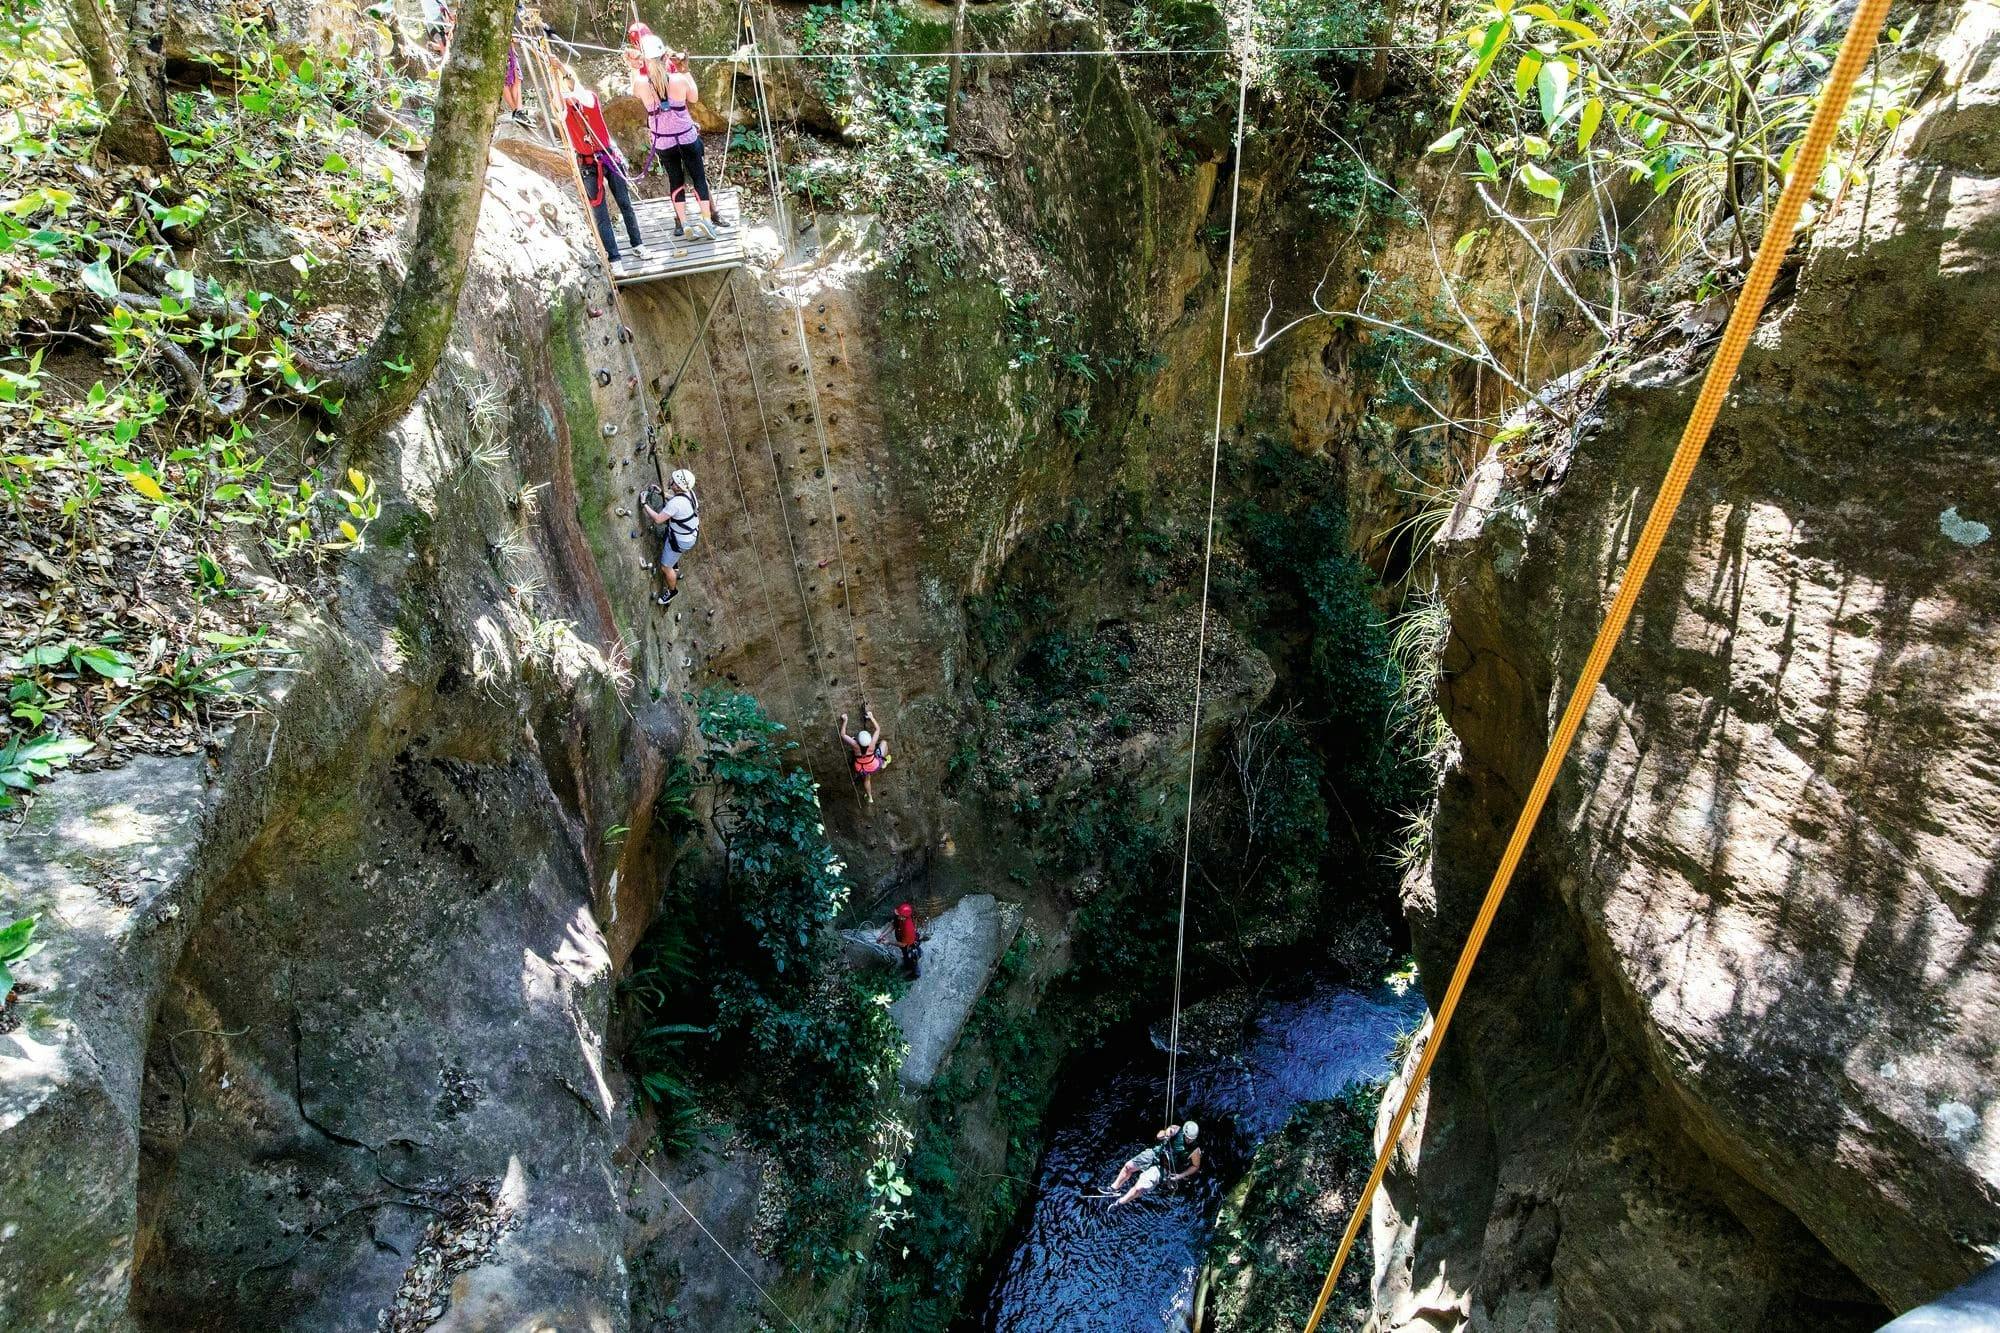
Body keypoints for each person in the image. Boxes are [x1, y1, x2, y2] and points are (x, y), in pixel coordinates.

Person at [625, 35, 727, 239]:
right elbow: (694, 97)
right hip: (686, 136)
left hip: (663, 140)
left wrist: (634, 65)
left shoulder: (642, 84)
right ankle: (707, 220)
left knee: (675, 180)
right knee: (698, 178)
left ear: (646, 60)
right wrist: (684, 68)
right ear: (665, 57)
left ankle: (684, 221)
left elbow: (634, 87)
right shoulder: (679, 80)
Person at [559, 64, 644, 263]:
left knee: (625, 203)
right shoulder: (564, 110)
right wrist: (559, 89)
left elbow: (582, 95)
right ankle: (614, 257)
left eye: (569, 85)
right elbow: (558, 108)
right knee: (600, 212)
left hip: (608, 158)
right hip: (588, 164)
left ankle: (637, 244)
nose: (567, 91)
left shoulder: (590, 99)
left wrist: (563, 71)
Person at [639, 469, 699, 606]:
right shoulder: (690, 493)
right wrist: (661, 493)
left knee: (665, 567)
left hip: (680, 540)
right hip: (689, 534)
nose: (669, 480)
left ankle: (672, 591)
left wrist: (644, 504)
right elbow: (678, 503)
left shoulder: (676, 504)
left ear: (677, 486)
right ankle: (674, 561)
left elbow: (658, 519)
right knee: (671, 545)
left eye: (672, 480)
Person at [1110, 1121, 1201, 1206]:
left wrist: (1180, 1176)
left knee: (1139, 1187)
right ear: (1184, 1133)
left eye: (1191, 1139)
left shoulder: (1195, 1150)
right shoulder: (1176, 1129)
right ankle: (1114, 1188)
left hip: (1165, 1166)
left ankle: (1119, 1203)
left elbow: (1195, 1166)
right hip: (1156, 1153)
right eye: (1187, 1138)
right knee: (1128, 1166)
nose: (1189, 1141)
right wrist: (1166, 1133)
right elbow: (1159, 1136)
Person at [840, 708, 889, 803]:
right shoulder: (872, 744)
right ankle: (883, 763)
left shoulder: (855, 745)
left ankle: (870, 797)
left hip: (860, 768)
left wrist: (845, 720)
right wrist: (871, 717)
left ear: (858, 739)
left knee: (867, 779)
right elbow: (878, 729)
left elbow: (843, 735)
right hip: (873, 765)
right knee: (884, 742)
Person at [877, 902, 922, 979]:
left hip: (908, 946)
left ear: (904, 917)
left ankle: (915, 974)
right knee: (906, 956)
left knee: (911, 960)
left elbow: (903, 944)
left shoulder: (907, 928)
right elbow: (894, 925)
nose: (897, 915)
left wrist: (889, 942)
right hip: (904, 941)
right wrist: (884, 934)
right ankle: (915, 956)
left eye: (899, 915)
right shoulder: (900, 918)